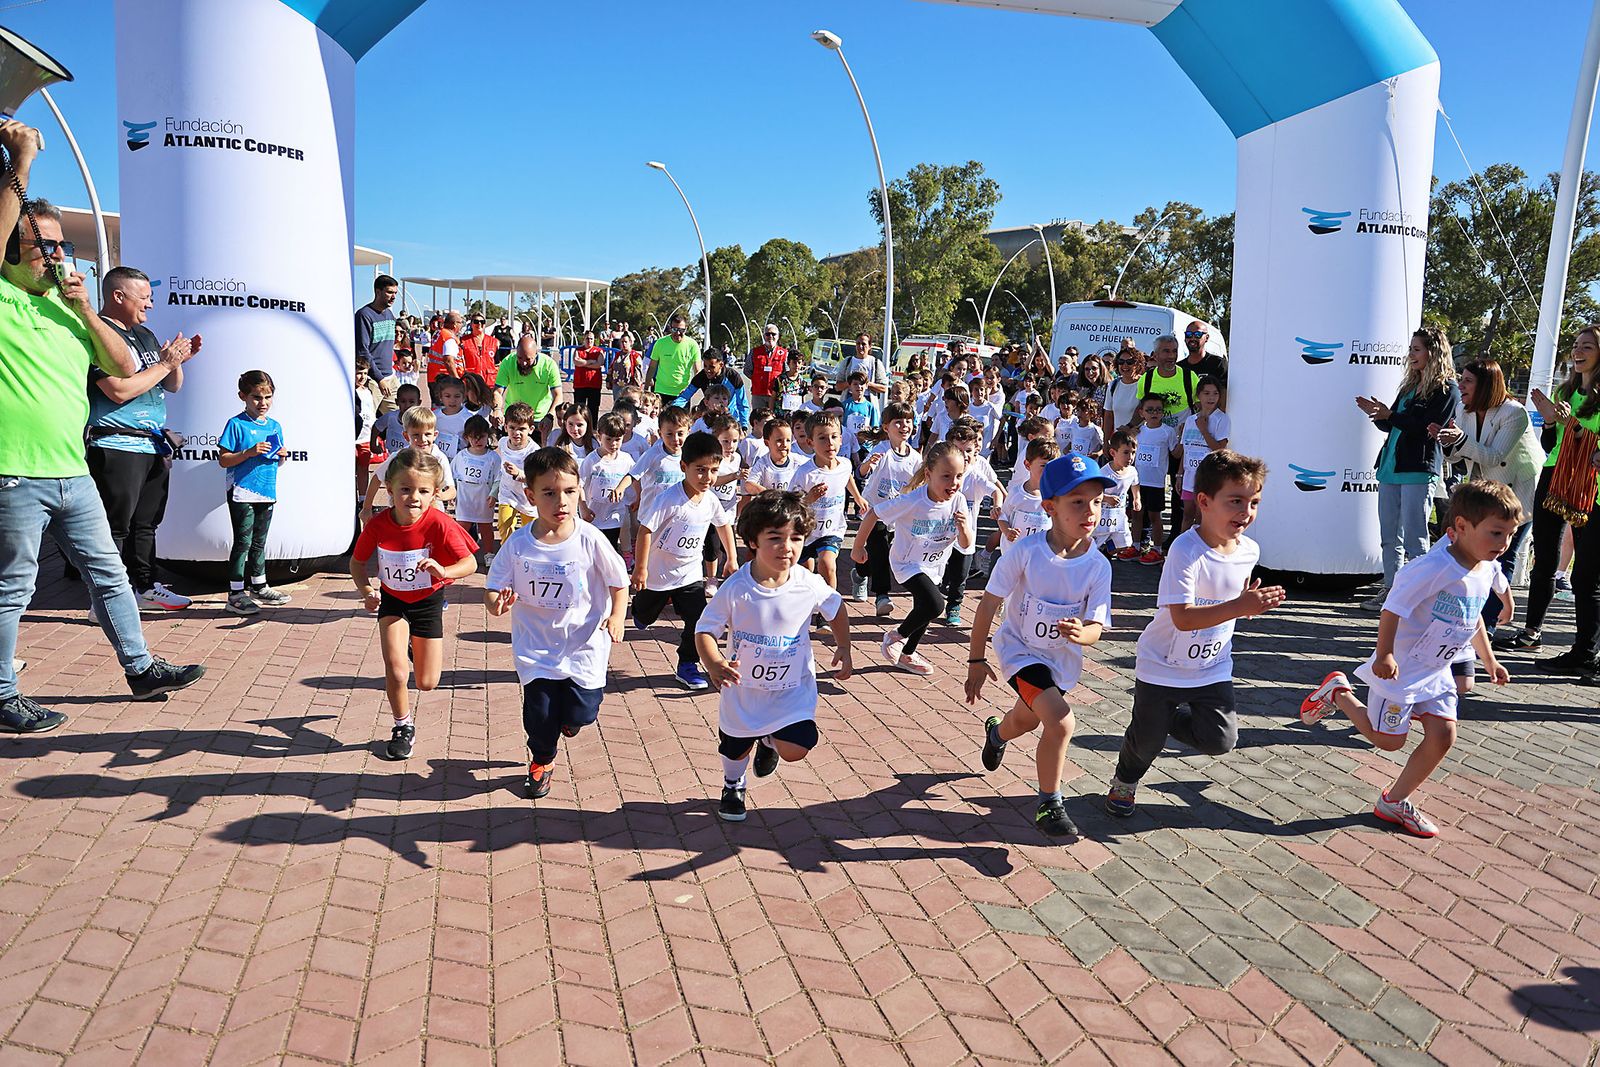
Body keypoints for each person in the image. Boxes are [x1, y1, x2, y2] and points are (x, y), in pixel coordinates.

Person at [0, 154, 205, 729]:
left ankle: (140, 668)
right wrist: (20, 164)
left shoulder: (69, 311)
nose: (56, 255)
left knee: (110, 574)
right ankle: (2, 694)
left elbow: (120, 366)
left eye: (62, 245)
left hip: (72, 470)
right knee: (13, 588)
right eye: (42, 244)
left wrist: (86, 309)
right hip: (13, 471)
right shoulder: (3, 296)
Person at [1301, 481, 1516, 837]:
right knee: (1389, 742)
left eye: (1509, 534)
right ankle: (1338, 692)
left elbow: (1472, 616)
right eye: (1496, 533)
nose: (1504, 543)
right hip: (1400, 672)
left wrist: (1489, 660)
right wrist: (1384, 653)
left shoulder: (1485, 566)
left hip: (1437, 671)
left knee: (1444, 735)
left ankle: (1394, 801)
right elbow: (1393, 608)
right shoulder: (1433, 567)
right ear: (1461, 526)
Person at [1105, 451, 1286, 817]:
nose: (1246, 511)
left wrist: (1247, 606)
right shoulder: (1185, 550)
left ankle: (1162, 720)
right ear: (1204, 501)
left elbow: (1232, 597)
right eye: (1235, 501)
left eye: (1254, 502)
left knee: (1221, 740)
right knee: (1147, 742)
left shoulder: (1250, 551)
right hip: (1162, 664)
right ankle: (1125, 779)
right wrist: (1239, 606)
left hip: (1211, 666)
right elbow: (1183, 619)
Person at [967, 451, 1116, 838]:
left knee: (1027, 719)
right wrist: (976, 660)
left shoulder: (1098, 565)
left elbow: (1097, 625)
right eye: (1077, 502)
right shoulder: (1026, 552)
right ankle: (1050, 803)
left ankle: (997, 733)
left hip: (1061, 663)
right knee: (1061, 721)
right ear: (1050, 507)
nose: (1090, 511)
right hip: (1019, 652)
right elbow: (988, 604)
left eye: (1097, 502)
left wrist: (1083, 633)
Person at [696, 490, 853, 822]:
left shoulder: (807, 582)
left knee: (797, 747)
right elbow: (705, 630)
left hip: (790, 689)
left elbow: (836, 607)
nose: (787, 547)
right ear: (753, 541)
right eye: (775, 538)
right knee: (735, 747)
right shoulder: (736, 587)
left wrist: (844, 646)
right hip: (744, 691)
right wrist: (714, 663)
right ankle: (733, 785)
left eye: (796, 538)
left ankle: (769, 741)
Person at [488, 447, 628, 798]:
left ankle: (571, 720)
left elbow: (618, 581)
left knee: (583, 712)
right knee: (539, 715)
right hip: (535, 647)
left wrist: (617, 615)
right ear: (530, 495)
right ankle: (542, 760)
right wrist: (496, 604)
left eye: (569, 491)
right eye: (549, 493)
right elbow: (493, 588)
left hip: (584, 645)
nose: (561, 501)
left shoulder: (590, 538)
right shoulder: (519, 544)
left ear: (580, 490)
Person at [351, 449, 479, 761]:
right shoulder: (379, 524)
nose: (414, 498)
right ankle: (402, 726)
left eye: (423, 491)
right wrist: (367, 590)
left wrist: (444, 571)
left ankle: (414, 645)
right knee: (396, 670)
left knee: (427, 682)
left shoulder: (439, 523)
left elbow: (470, 563)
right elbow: (357, 563)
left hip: (427, 602)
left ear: (434, 494)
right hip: (393, 600)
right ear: (390, 489)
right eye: (406, 489)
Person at [86, 265, 198, 611]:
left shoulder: (145, 334)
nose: (150, 305)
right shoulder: (98, 333)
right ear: (118, 296)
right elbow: (118, 391)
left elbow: (171, 385)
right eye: (144, 298)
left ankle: (146, 588)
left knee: (146, 523)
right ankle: (106, 600)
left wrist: (176, 361)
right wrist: (164, 365)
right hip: (116, 444)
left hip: (152, 443)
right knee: (114, 528)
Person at [1510, 326, 1600, 678]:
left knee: (1586, 575)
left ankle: (1585, 652)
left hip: (1589, 489)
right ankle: (1532, 632)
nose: (1578, 352)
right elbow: (1552, 445)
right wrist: (1550, 422)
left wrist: (1572, 425)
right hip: (1555, 477)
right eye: (1576, 345)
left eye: (1587, 346)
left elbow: (1588, 440)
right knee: (1545, 558)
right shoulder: (1566, 391)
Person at [1434, 359, 1544, 639]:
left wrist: (1459, 440)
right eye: (1461, 379)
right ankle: (1463, 619)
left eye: (1467, 381)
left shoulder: (1514, 413)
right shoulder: (1464, 409)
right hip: (1485, 493)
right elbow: (1458, 456)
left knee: (1501, 555)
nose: (1460, 385)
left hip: (1518, 493)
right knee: (1469, 551)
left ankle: (1488, 626)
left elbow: (1494, 456)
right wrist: (1446, 442)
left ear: (1486, 385)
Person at [1356, 325, 1460, 611]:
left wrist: (1391, 415)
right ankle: (1391, 590)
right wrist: (1380, 415)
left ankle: (1420, 596)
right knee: (1390, 536)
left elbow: (1427, 428)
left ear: (1433, 352)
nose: (1411, 355)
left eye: (1416, 349)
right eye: (1411, 349)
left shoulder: (1447, 389)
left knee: (1416, 537)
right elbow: (1393, 424)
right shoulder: (1410, 386)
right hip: (1390, 467)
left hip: (1418, 469)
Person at [851, 442, 972, 675]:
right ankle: (896, 636)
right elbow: (874, 513)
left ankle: (907, 654)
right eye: (946, 476)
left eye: (959, 476)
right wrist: (857, 548)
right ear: (928, 474)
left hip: (934, 565)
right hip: (906, 563)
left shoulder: (958, 501)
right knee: (935, 604)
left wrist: (964, 528)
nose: (954, 483)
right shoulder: (913, 501)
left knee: (924, 608)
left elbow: (966, 545)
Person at [632, 431, 736, 691]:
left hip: (690, 574)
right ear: (684, 467)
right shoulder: (668, 499)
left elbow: (723, 526)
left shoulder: (710, 499)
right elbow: (645, 531)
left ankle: (688, 664)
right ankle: (640, 612)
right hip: (658, 575)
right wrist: (641, 569)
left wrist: (732, 558)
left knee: (698, 618)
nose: (707, 477)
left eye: (713, 470)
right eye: (700, 470)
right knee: (644, 614)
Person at [217, 370, 295, 616]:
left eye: (268, 397)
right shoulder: (236, 424)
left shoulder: (275, 426)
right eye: (256, 398)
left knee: (259, 542)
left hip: (267, 491)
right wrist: (249, 452)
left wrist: (282, 456)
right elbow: (224, 459)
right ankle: (235, 594)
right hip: (241, 492)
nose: (263, 403)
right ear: (243, 396)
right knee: (243, 542)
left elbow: (276, 461)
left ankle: (259, 586)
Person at [853, 402, 920, 614]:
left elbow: (919, 484)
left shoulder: (915, 458)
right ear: (886, 427)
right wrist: (868, 464)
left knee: (880, 554)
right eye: (898, 422)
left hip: (898, 514)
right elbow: (861, 473)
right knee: (879, 549)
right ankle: (882, 596)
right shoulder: (881, 450)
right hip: (875, 511)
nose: (904, 426)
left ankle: (859, 573)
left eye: (908, 421)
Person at [793, 411, 867, 596]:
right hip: (805, 532)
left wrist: (858, 497)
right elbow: (791, 505)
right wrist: (809, 499)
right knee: (805, 573)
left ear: (841, 439)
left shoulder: (845, 464)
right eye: (822, 438)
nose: (830, 443)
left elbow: (847, 477)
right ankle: (807, 604)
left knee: (827, 564)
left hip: (831, 530)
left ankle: (830, 607)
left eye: (834, 437)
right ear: (810, 442)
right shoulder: (804, 473)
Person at [1176, 377, 1231, 534]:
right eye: (1206, 393)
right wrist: (1179, 475)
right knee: (1187, 514)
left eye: (1215, 393)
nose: (1211, 397)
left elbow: (1219, 449)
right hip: (1189, 476)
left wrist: (1204, 430)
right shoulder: (1190, 420)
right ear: (1199, 395)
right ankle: (1183, 546)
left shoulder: (1222, 419)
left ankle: (1200, 546)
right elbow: (1186, 449)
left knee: (1201, 516)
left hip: (1208, 476)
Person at [579, 412, 635, 554]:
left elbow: (633, 475)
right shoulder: (591, 460)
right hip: (593, 516)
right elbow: (579, 485)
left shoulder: (626, 459)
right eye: (608, 439)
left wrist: (624, 489)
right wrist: (583, 508)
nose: (613, 444)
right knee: (592, 551)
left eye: (617, 439)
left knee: (609, 550)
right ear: (599, 436)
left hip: (614, 515)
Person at [1131, 397, 1178, 563]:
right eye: (1149, 410)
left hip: (1156, 482)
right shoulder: (1138, 431)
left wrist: (1184, 438)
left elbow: (1176, 453)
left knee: (1154, 516)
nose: (1154, 413)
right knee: (1136, 514)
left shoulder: (1167, 431)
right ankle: (1136, 546)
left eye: (1158, 410)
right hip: (1137, 481)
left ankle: (1157, 549)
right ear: (1141, 413)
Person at [493, 334, 563, 440]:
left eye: (528, 359)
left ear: (536, 353)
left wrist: (550, 416)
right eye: (519, 358)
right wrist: (497, 409)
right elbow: (498, 391)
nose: (524, 363)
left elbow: (558, 395)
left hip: (539, 419)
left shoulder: (549, 365)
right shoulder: (507, 362)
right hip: (513, 417)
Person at [450, 415, 498, 560]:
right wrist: (452, 492)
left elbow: (499, 478)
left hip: (484, 498)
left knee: (486, 527)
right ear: (466, 437)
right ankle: (459, 553)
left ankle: (489, 554)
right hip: (465, 498)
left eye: (481, 436)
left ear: (488, 436)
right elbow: (452, 475)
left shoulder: (493, 457)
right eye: (474, 437)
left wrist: (494, 494)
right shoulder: (461, 456)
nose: (478, 441)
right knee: (461, 527)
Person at [355, 274, 400, 406]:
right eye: (389, 292)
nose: (393, 297)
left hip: (390, 377)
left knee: (402, 415)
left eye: (395, 293)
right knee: (367, 417)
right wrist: (379, 378)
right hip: (372, 380)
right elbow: (363, 351)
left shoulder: (389, 314)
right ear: (378, 292)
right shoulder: (364, 315)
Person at [645, 313, 701, 407]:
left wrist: (690, 390)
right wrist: (646, 389)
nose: (678, 333)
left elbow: (698, 372)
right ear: (670, 328)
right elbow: (652, 367)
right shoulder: (660, 343)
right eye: (674, 329)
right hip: (661, 391)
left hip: (682, 394)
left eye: (681, 330)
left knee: (681, 417)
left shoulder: (693, 345)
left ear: (686, 329)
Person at [834, 332, 891, 410]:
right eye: (858, 343)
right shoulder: (847, 362)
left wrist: (866, 384)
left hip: (868, 401)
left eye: (863, 344)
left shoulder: (876, 363)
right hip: (849, 400)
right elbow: (838, 386)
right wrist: (852, 383)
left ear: (869, 346)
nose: (860, 346)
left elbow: (884, 388)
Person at [1179, 321, 1228, 407]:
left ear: (1207, 338)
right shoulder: (1179, 368)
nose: (1192, 338)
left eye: (1197, 334)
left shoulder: (1218, 363)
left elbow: (1224, 396)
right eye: (1189, 334)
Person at [1102, 347, 1145, 440]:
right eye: (1121, 362)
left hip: (1141, 441)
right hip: (1119, 442)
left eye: (1129, 362)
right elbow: (1108, 416)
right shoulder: (1113, 385)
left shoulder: (1145, 384)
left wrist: (1129, 427)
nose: (1125, 365)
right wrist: (1106, 441)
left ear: (1138, 364)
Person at [748, 324, 787, 410]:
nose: (770, 336)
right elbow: (747, 370)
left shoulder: (784, 353)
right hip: (758, 395)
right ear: (764, 336)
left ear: (778, 336)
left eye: (773, 334)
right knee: (758, 417)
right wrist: (758, 379)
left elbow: (786, 373)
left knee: (775, 418)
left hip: (776, 394)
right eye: (768, 334)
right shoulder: (754, 352)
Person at [571, 330, 605, 426]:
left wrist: (583, 363)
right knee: (579, 408)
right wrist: (591, 361)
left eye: (591, 339)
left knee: (593, 409)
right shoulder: (578, 350)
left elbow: (599, 364)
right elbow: (576, 361)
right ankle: (579, 425)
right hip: (580, 384)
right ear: (584, 339)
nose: (589, 340)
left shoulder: (599, 351)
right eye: (587, 338)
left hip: (594, 384)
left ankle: (592, 428)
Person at [427, 310, 464, 385]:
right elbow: (448, 361)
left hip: (434, 377)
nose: (461, 325)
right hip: (445, 379)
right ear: (455, 324)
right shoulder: (448, 338)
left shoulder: (439, 333)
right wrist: (457, 380)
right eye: (460, 323)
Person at [459, 314, 499, 382]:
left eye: (482, 322)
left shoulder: (494, 342)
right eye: (476, 322)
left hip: (489, 381)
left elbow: (497, 364)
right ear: (471, 324)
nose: (479, 324)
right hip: (471, 381)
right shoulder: (463, 341)